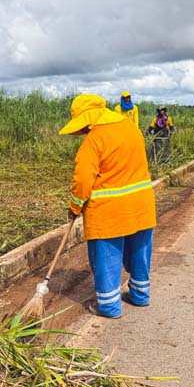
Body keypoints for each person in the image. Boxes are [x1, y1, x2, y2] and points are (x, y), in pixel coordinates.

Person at [60, 94, 156, 318]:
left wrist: (74, 207)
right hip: (142, 205)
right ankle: (141, 296)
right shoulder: (131, 129)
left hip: (109, 212)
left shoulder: (94, 140)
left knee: (107, 258)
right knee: (139, 253)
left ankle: (109, 306)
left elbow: (83, 179)